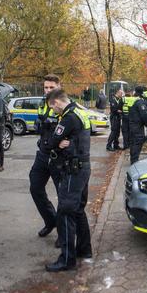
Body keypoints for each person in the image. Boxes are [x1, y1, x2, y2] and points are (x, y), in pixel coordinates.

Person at [45, 89, 92, 272]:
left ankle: (67, 259)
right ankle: (84, 249)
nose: (52, 110)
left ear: (56, 102)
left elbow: (50, 142)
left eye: (52, 107)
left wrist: (58, 142)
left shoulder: (68, 117)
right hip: (83, 166)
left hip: (73, 170)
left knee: (65, 212)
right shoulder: (80, 111)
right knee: (78, 209)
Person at [30, 74, 62, 240]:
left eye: (51, 87)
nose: (48, 90)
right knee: (35, 188)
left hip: (58, 157)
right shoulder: (43, 104)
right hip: (42, 154)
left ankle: (63, 234)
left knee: (62, 196)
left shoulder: (65, 104)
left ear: (58, 86)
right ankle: (51, 220)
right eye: (46, 87)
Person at [128, 86, 147, 164]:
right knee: (138, 142)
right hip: (138, 126)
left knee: (133, 142)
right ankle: (134, 160)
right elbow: (144, 115)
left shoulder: (132, 100)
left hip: (132, 124)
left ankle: (133, 159)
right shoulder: (140, 102)